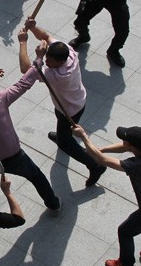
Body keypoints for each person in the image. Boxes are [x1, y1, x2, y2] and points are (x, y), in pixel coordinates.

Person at [72, 125, 141, 266]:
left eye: (125, 141)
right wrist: (101, 149)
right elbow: (124, 148)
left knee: (125, 231)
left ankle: (126, 265)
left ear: (132, 146)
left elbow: (102, 160)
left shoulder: (137, 166)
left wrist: (83, 136)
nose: (123, 142)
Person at [0, 63, 61, 213]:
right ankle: (53, 204)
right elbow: (23, 84)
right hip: (14, 157)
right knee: (36, 176)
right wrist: (38, 61)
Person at [18, 18, 106, 187]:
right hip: (76, 100)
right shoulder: (68, 51)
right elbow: (46, 36)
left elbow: (26, 70)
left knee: (66, 143)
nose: (47, 63)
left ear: (59, 62)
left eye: (50, 62)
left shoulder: (58, 75)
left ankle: (95, 165)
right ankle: (61, 135)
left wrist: (24, 43)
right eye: (46, 59)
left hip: (69, 109)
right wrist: (34, 27)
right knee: (61, 124)